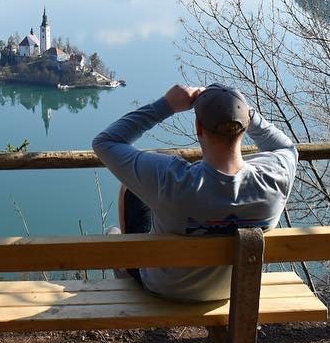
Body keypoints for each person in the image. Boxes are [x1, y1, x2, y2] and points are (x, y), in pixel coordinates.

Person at [92, 83, 297, 301]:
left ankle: (129, 270)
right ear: (245, 126)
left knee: (120, 218)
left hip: (164, 287)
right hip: (235, 286)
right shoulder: (276, 176)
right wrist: (246, 112)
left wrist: (165, 106)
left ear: (199, 127)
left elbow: (105, 142)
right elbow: (286, 148)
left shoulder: (170, 179)